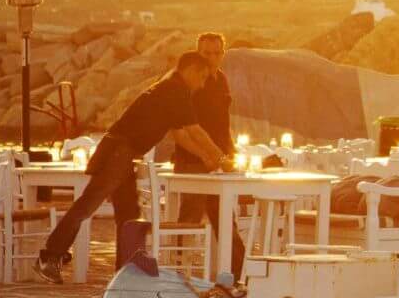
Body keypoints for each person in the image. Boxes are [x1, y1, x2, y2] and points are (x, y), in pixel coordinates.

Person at [34, 51, 232, 283]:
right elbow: (195, 130)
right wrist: (220, 158)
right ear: (190, 70)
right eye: (202, 77)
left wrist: (207, 158)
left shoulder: (171, 89)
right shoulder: (175, 90)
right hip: (119, 151)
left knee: (129, 214)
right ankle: (50, 257)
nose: (202, 84)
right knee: (88, 205)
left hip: (125, 153)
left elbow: (181, 134)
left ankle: (125, 270)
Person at [171, 32, 246, 274]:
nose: (212, 58)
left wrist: (230, 153)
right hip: (193, 160)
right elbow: (185, 128)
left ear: (223, 54)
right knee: (190, 220)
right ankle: (179, 273)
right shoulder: (189, 82)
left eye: (217, 53)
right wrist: (208, 155)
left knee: (226, 221)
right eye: (206, 53)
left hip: (220, 161)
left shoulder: (221, 80)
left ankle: (237, 276)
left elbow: (223, 124)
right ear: (197, 54)